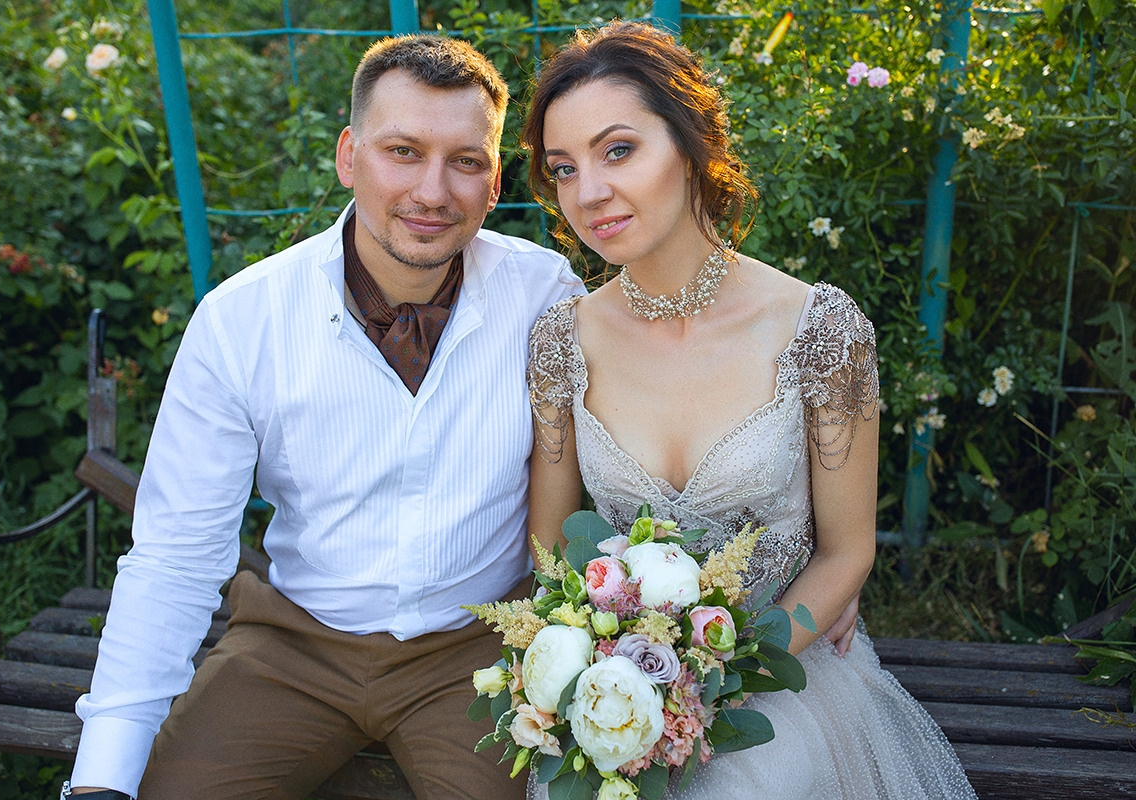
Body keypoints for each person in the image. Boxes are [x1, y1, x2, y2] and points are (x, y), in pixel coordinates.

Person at [63, 35, 584, 800]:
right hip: (293, 642)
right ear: (349, 157)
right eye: (402, 151)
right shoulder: (242, 320)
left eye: (465, 161)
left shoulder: (546, 297)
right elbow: (175, 556)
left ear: (494, 176)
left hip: (478, 651)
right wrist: (101, 780)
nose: (433, 191)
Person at [522, 21, 977, 800]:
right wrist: (609, 688)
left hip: (785, 674)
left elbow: (845, 554)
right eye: (564, 169)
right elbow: (552, 552)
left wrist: (708, 690)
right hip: (619, 693)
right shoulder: (564, 338)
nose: (588, 192)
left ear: (694, 142)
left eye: (618, 150)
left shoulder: (820, 330)